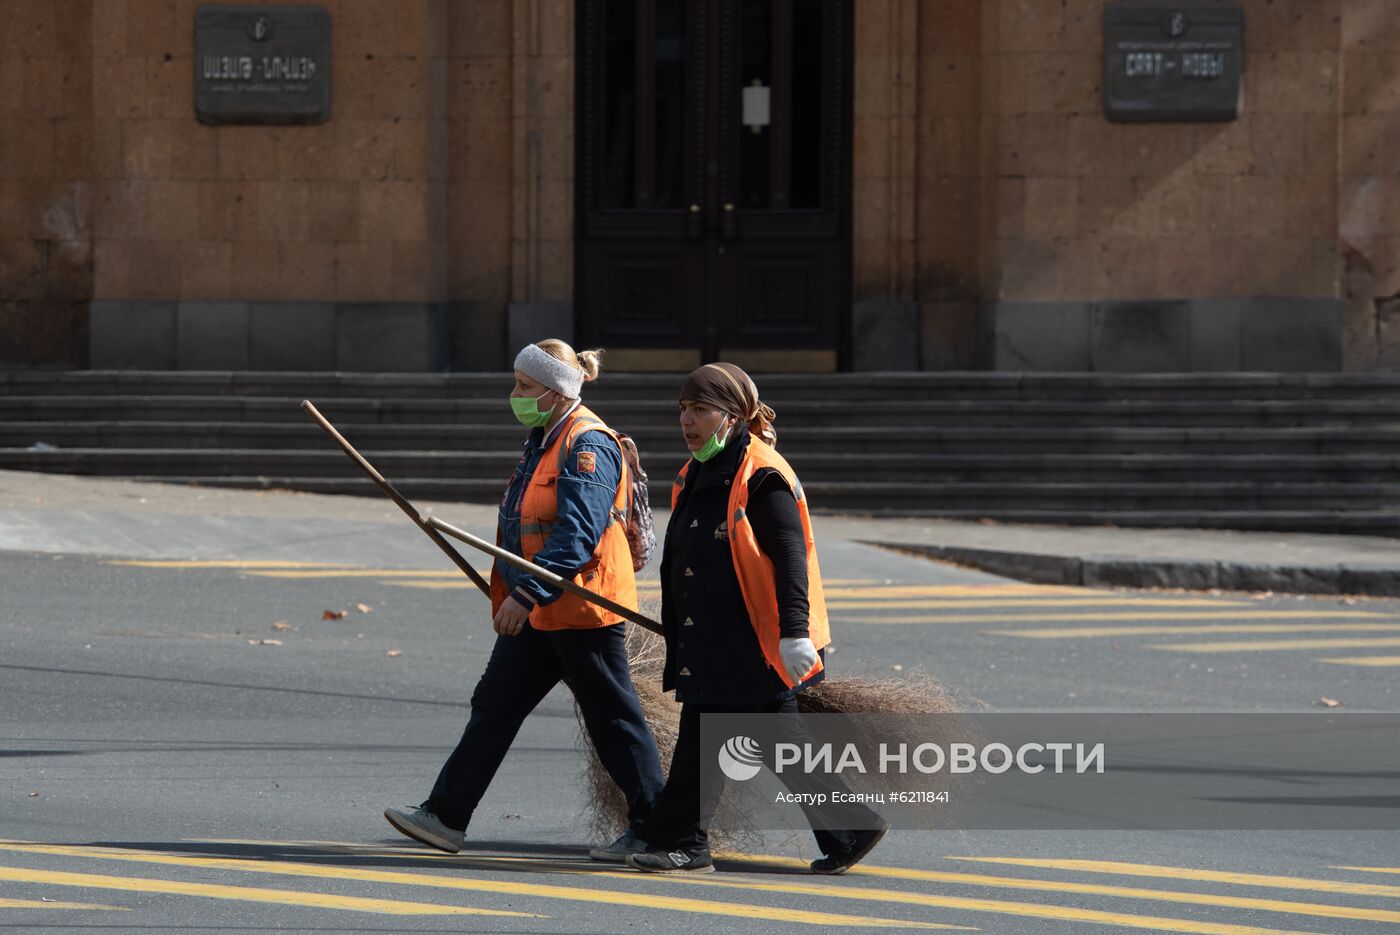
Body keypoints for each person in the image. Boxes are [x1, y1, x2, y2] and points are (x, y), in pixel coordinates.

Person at [385, 340, 664, 862]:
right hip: (541, 610)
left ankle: (658, 827)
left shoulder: (588, 447)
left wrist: (526, 593)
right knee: (495, 706)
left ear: (558, 392)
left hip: (581, 610)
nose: (515, 395)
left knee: (614, 722)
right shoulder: (543, 439)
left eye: (525, 386)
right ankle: (446, 816)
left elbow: (576, 538)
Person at [627, 362, 889, 875]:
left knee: (714, 739)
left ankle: (683, 841)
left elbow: (792, 560)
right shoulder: (697, 472)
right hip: (714, 639)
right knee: (755, 741)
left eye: (700, 410)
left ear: (730, 415)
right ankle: (850, 827)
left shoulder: (762, 476)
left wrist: (796, 634)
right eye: (683, 409)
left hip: (753, 644)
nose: (688, 421)